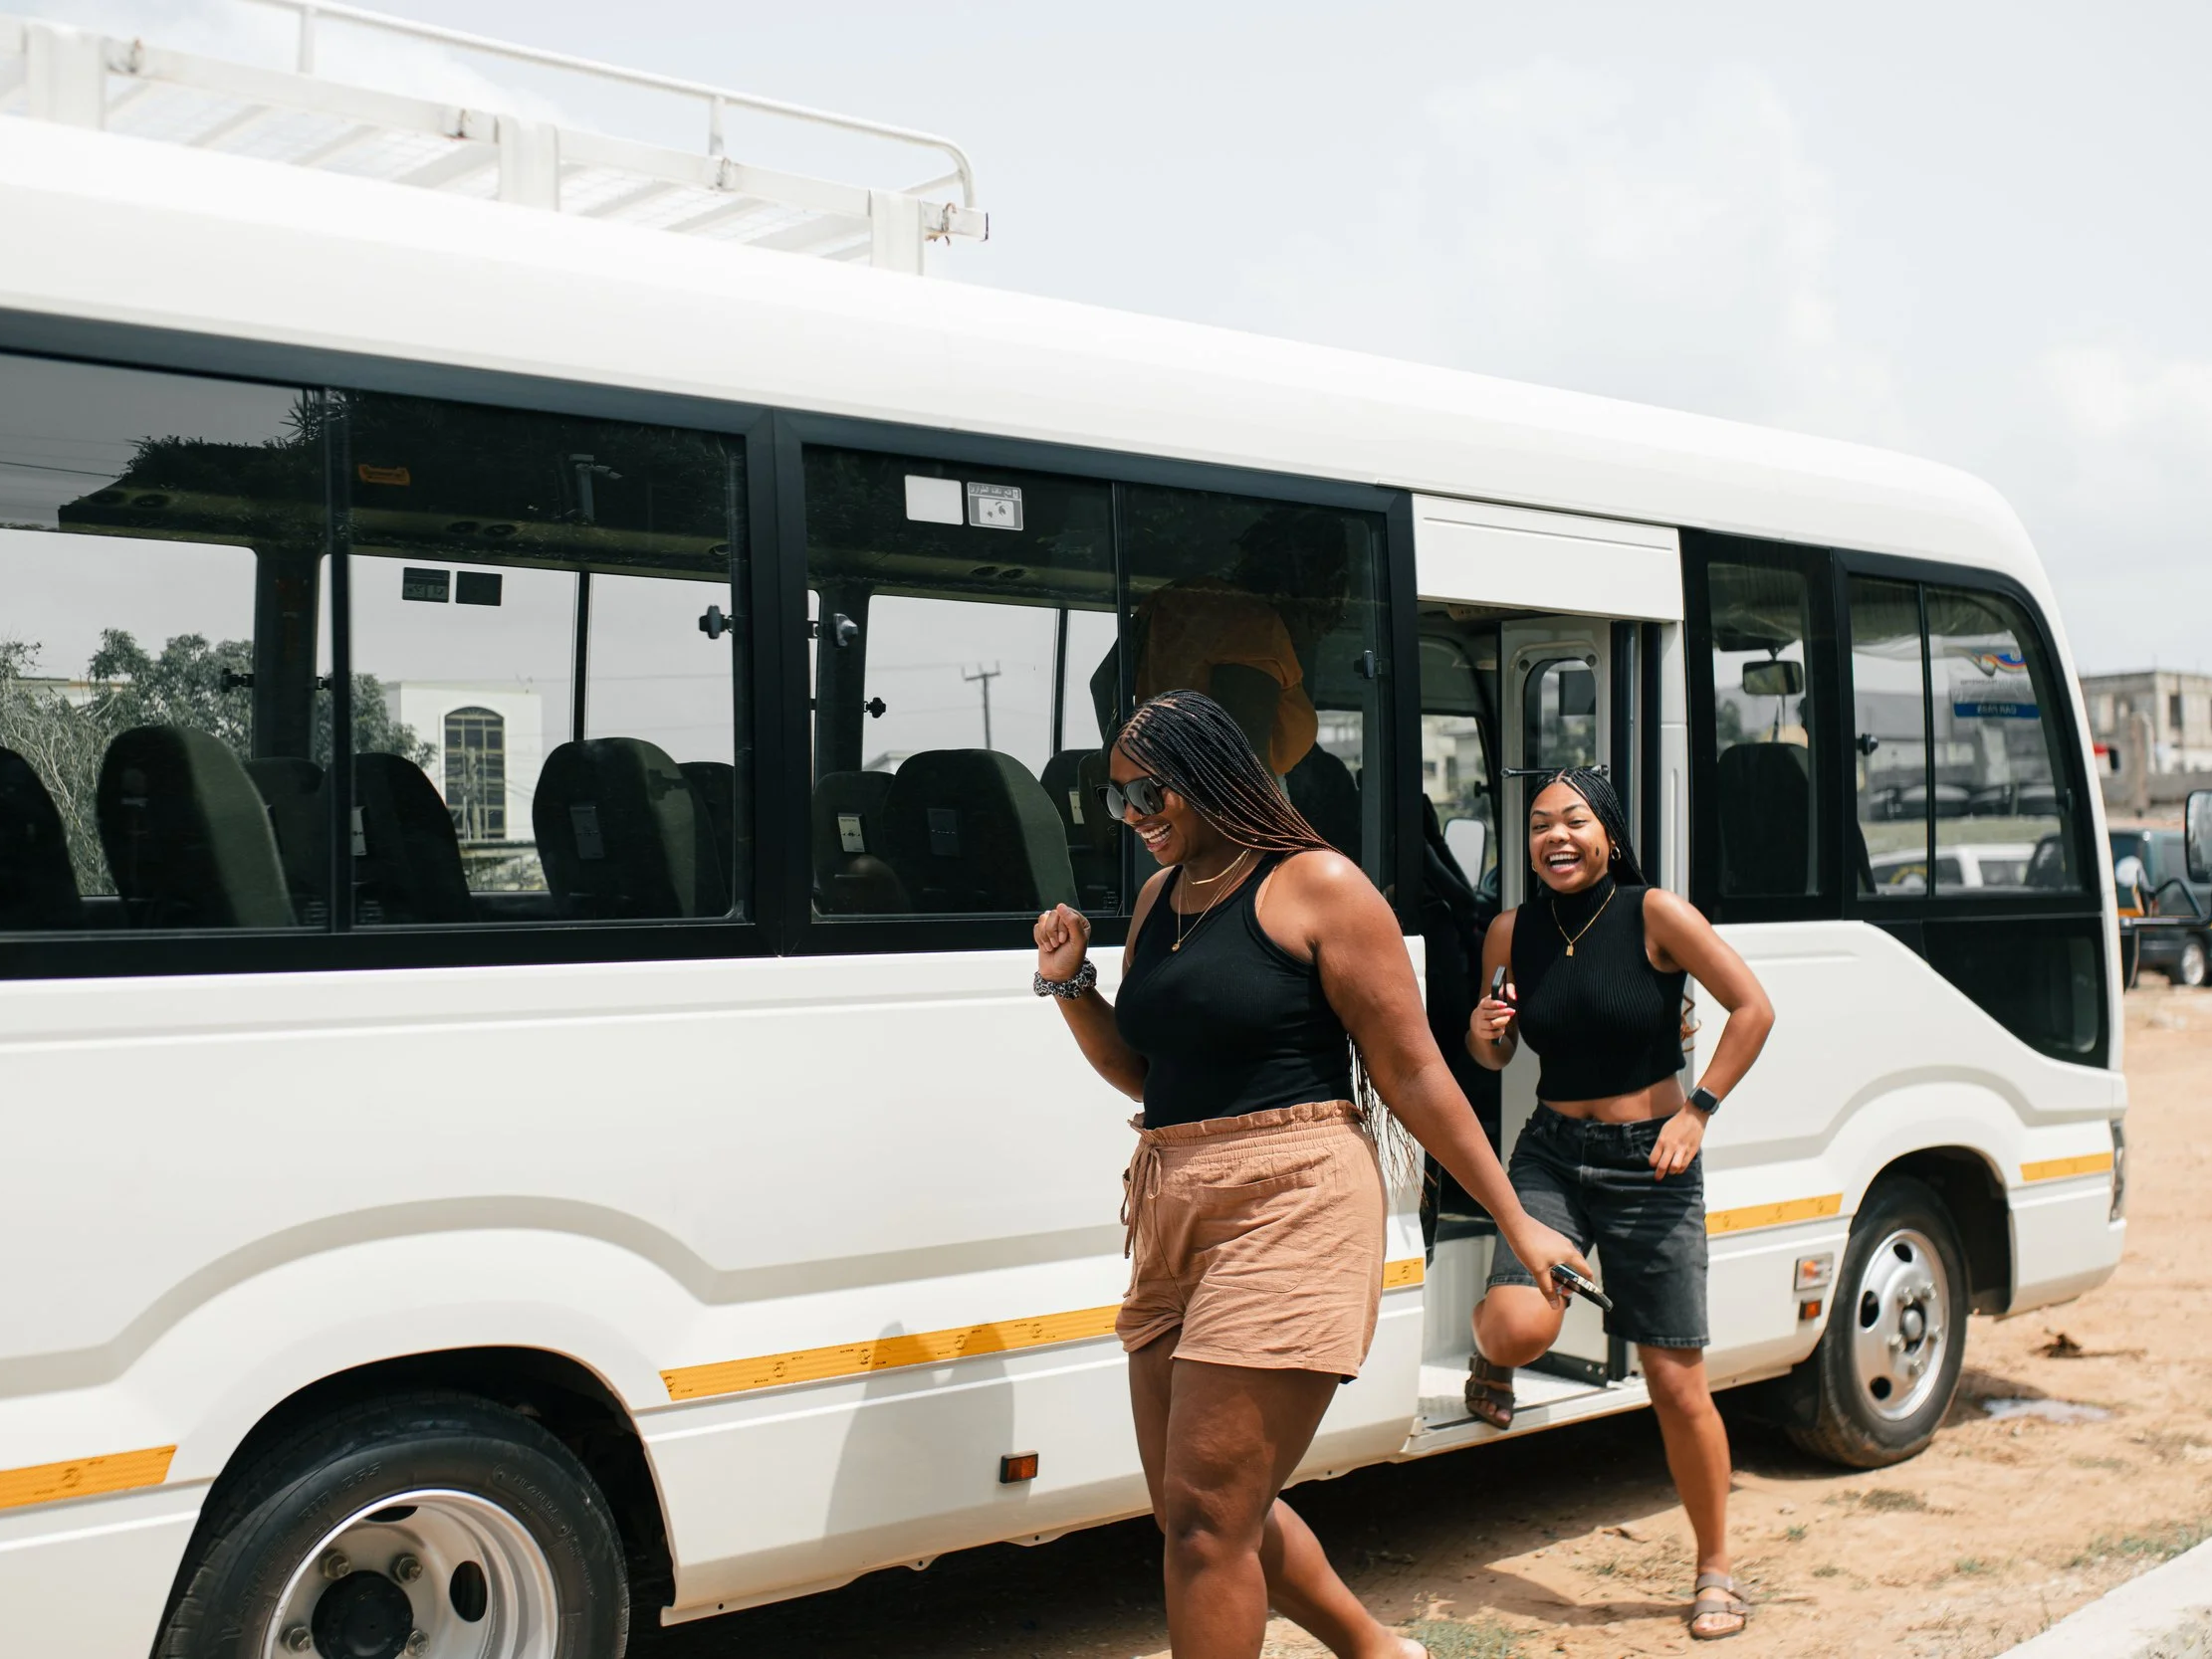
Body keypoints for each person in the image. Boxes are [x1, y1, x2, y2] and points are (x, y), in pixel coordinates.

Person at [1032, 690, 1588, 1659]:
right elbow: (1153, 1072)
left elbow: (1414, 1072)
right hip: (1170, 1198)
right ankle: (1378, 1649)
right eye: (1116, 798)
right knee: (1195, 1507)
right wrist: (1071, 983)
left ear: (1210, 775)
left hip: (1291, 1196)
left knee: (1206, 1521)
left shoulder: (1318, 886)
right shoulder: (1160, 900)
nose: (1133, 816)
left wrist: (1514, 1218)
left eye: (1149, 792)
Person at [1465, 767, 1775, 1642]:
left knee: (1674, 1382)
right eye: (1539, 825)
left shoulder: (1654, 913)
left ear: (1607, 832)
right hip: (1551, 1153)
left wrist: (1698, 1108)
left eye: (1573, 820)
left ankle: (1715, 1568)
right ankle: (1491, 1360)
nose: (1555, 837)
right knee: (1515, 1328)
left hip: (1652, 1165)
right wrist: (1485, 1037)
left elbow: (1753, 1008)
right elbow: (1494, 1053)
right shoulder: (1510, 930)